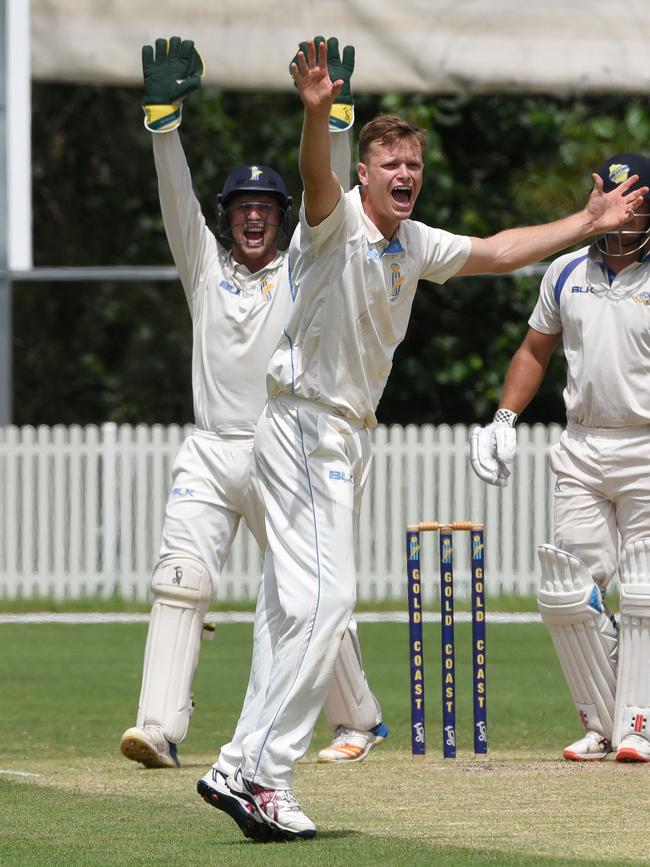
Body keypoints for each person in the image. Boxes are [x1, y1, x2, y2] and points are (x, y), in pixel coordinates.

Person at [205, 40, 648, 842]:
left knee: (286, 611)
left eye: (414, 162)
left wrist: (588, 220)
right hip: (306, 422)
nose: (406, 174)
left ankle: (240, 761)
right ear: (363, 175)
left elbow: (501, 250)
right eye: (391, 164)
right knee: (329, 602)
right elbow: (313, 176)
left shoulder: (415, 245)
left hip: (340, 435)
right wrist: (315, 115)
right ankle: (264, 774)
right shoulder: (333, 223)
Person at [119, 36, 388, 793]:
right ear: (228, 217)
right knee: (180, 579)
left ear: (280, 217)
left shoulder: (305, 263)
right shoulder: (204, 268)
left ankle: (357, 718)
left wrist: (335, 118)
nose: (254, 221)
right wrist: (164, 125)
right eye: (242, 209)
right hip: (209, 448)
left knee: (306, 585)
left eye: (267, 209)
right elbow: (176, 198)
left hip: (282, 446)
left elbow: (327, 194)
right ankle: (161, 725)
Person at [470, 152, 650, 765]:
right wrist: (503, 417)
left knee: (645, 591)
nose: (625, 208)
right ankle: (605, 723)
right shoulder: (565, 270)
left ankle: (640, 722)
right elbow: (534, 350)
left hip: (647, 445)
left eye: (637, 196)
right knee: (570, 592)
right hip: (581, 444)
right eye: (614, 193)